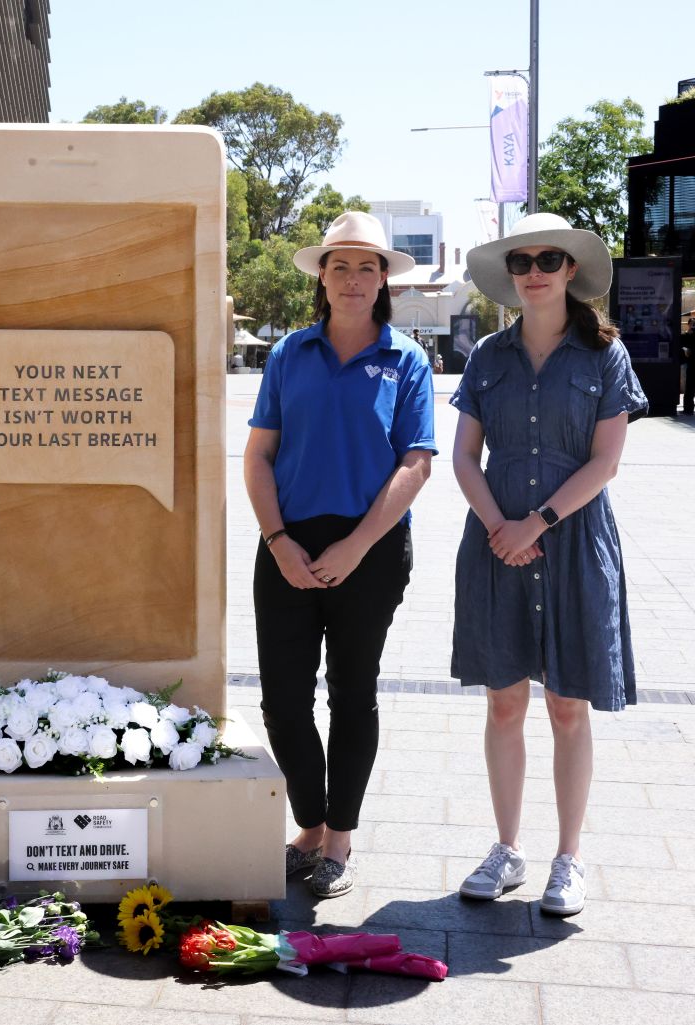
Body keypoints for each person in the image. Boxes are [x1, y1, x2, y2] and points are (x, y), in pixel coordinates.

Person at [451, 213, 647, 916]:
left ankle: (569, 858)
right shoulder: (487, 359)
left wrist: (537, 521)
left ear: (570, 270)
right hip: (497, 543)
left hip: (572, 544)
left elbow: (607, 461)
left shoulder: (604, 357)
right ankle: (507, 850)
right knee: (504, 701)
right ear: (512, 273)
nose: (534, 268)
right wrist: (498, 525)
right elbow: (463, 458)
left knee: (568, 704)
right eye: (522, 259)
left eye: (549, 258)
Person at [244, 212, 436, 898]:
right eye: (340, 266)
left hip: (372, 549)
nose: (353, 279)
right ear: (321, 277)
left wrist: (357, 546)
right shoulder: (288, 354)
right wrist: (278, 541)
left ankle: (339, 837)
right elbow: (259, 456)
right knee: (283, 702)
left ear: (384, 278)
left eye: (366, 266)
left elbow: (416, 465)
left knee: (354, 695)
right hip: (287, 543)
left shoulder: (406, 360)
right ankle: (311, 821)